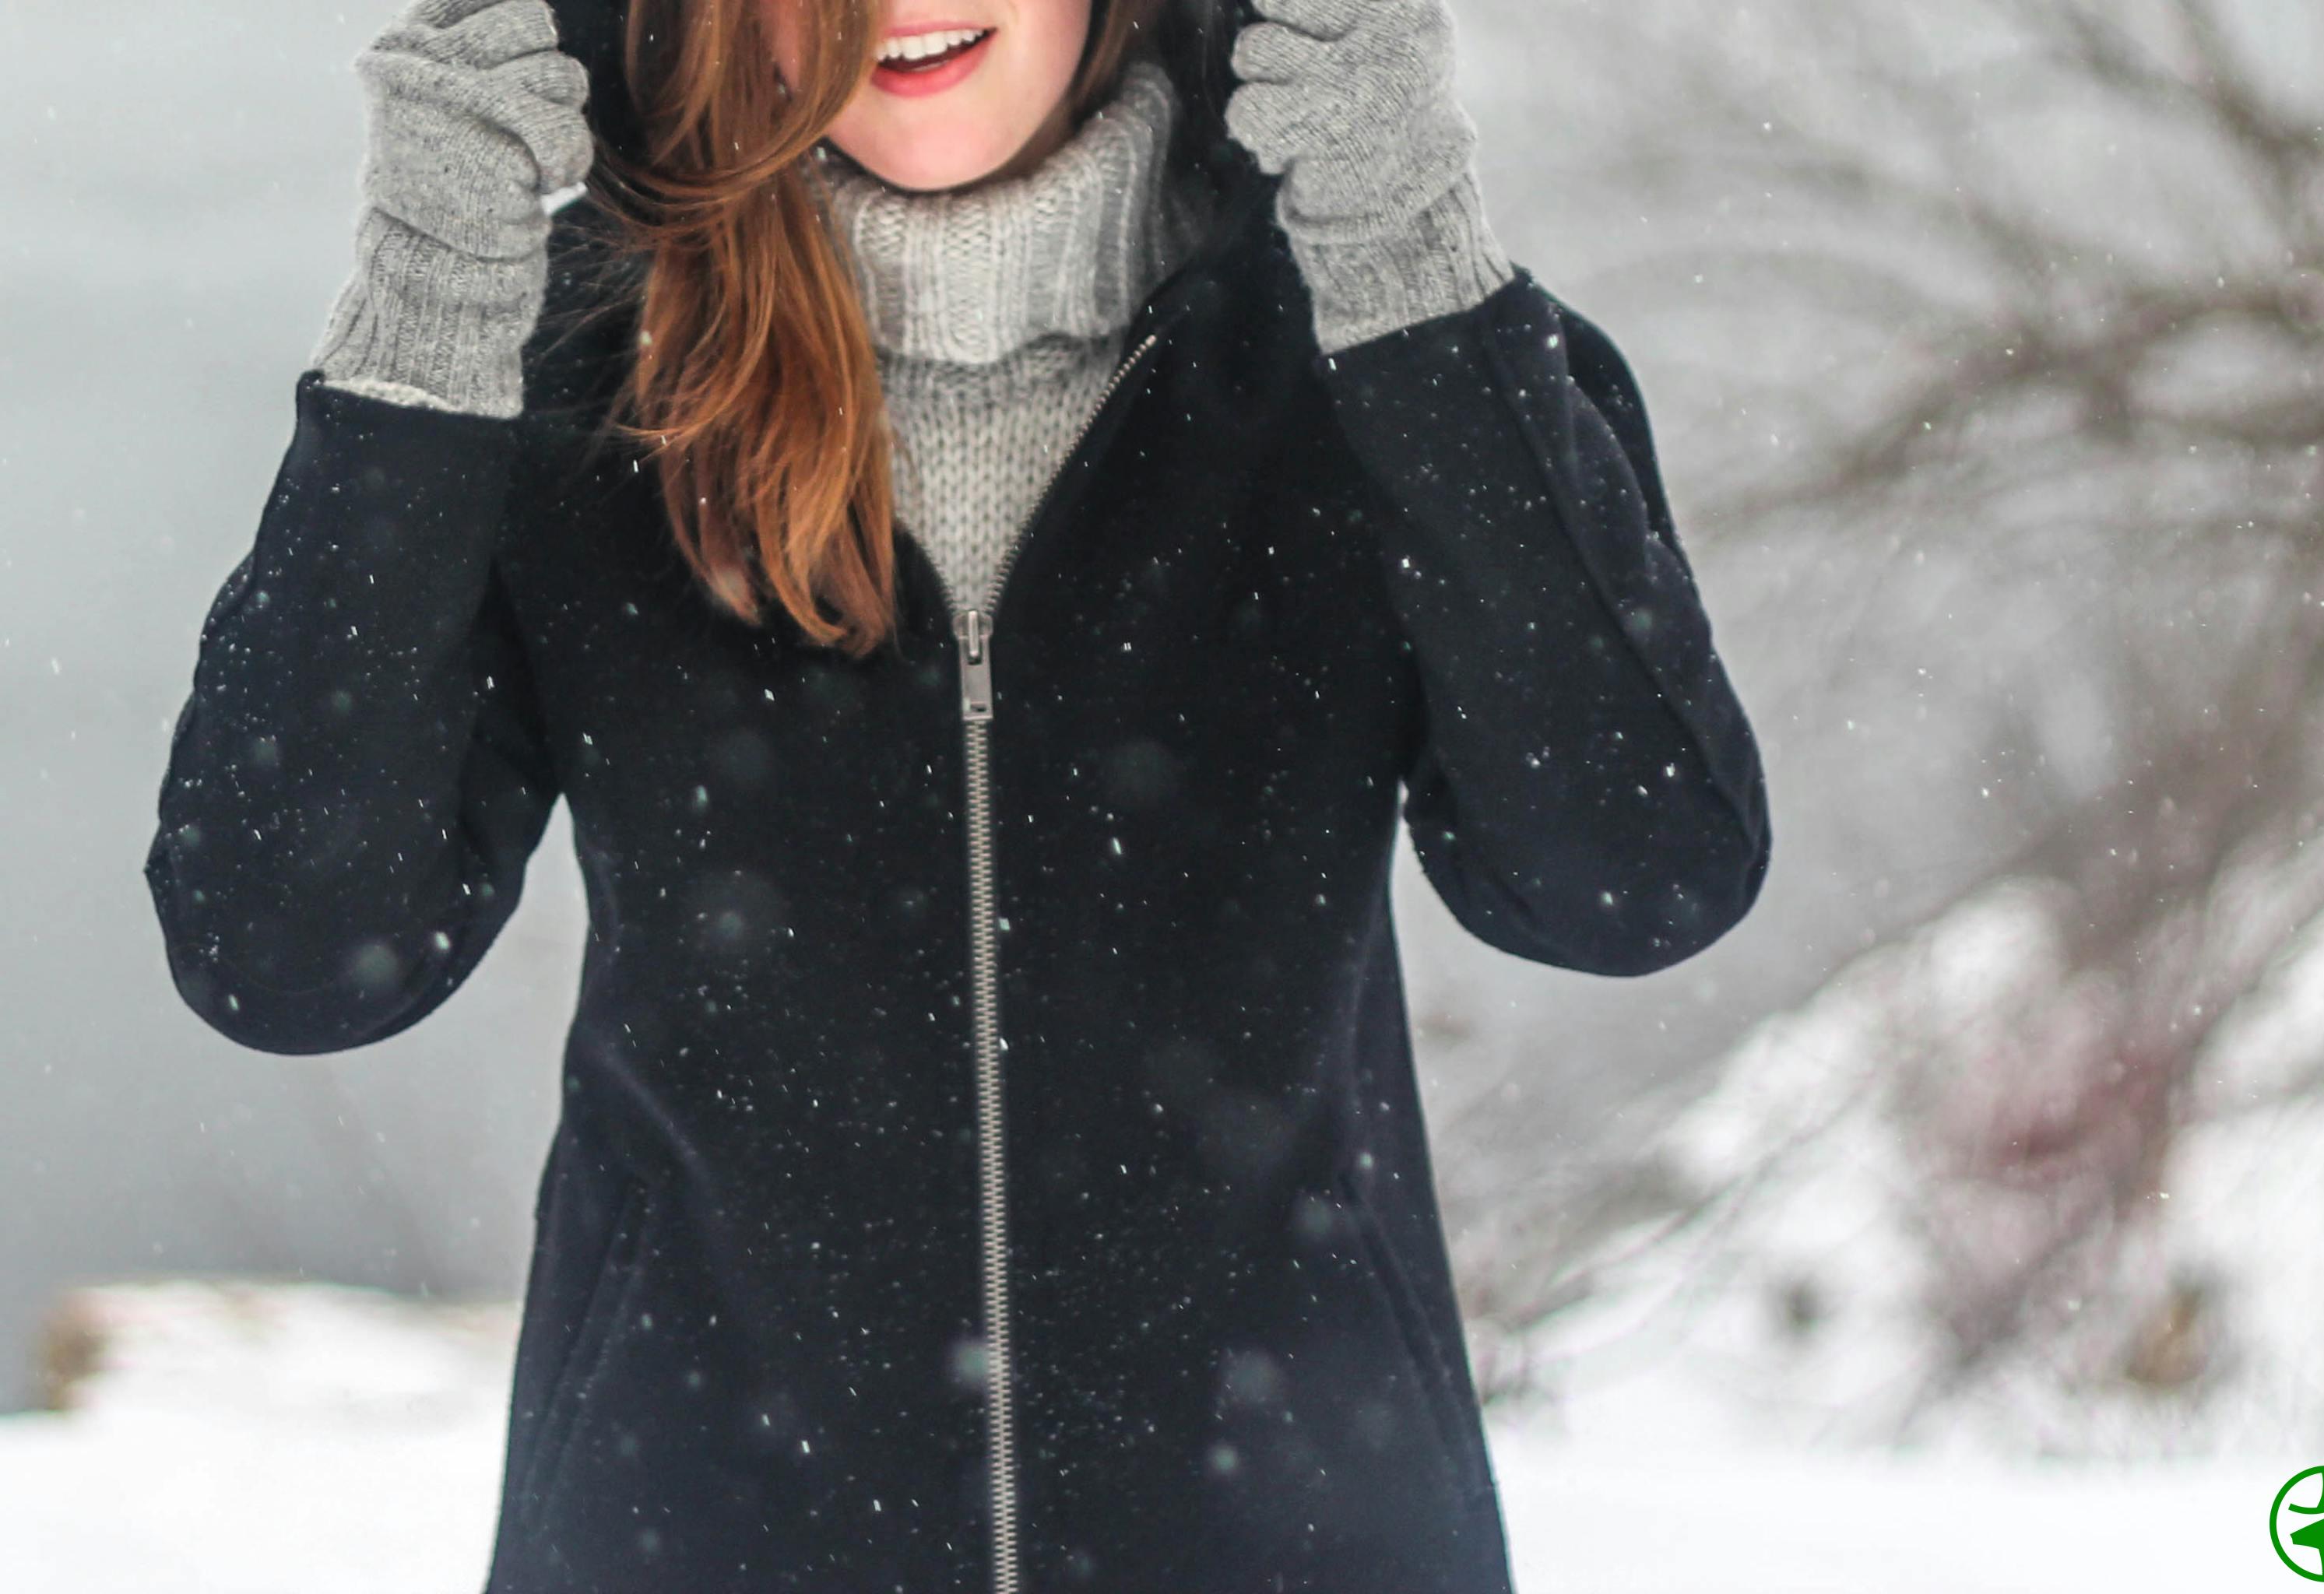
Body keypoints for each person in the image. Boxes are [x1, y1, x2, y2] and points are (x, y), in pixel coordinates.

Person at [141, 0, 1770, 1587]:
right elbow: (285, 951)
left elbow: (1633, 879)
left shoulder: (1374, 345)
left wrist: (1406, 245)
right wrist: (431, 305)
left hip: (1301, 1544)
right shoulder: (580, 382)